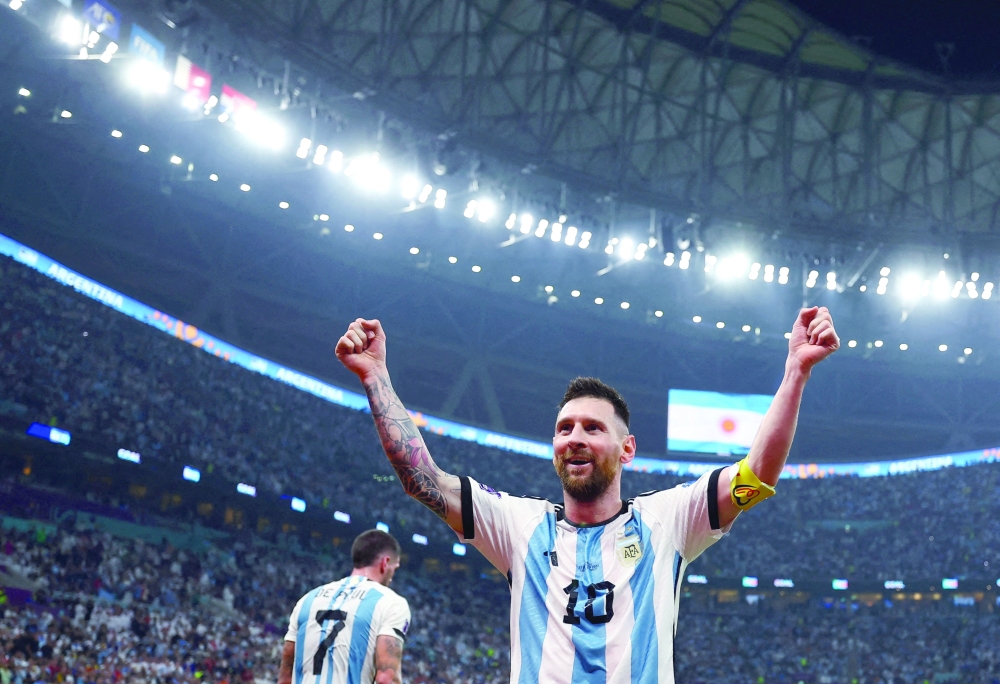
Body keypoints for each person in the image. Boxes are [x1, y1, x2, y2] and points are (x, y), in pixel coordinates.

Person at [336, 307, 839, 683]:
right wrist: (376, 376)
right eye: (564, 428)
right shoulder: (519, 526)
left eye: (593, 428)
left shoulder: (668, 521)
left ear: (627, 449)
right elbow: (421, 478)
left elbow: (756, 475)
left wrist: (796, 371)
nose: (574, 436)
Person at [278, 530, 410, 684]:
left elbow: (285, 677)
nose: (392, 577)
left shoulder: (307, 599)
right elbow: (387, 679)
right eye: (394, 568)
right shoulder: (391, 602)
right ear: (385, 562)